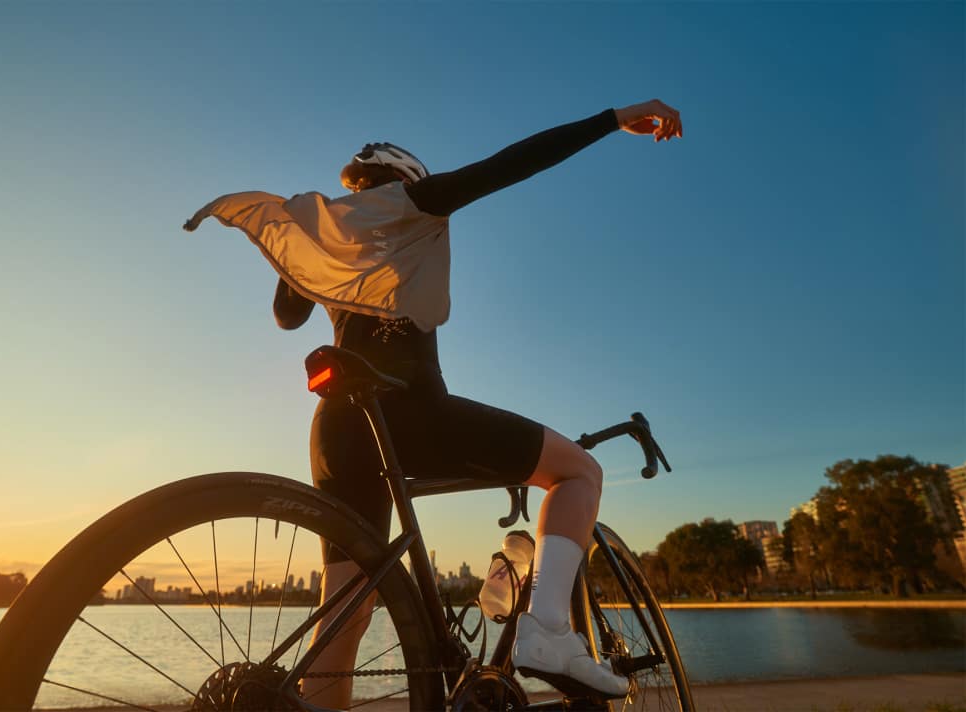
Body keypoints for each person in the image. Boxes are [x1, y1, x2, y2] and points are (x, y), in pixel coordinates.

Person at [185, 99, 682, 708]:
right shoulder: (415, 203)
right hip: (412, 414)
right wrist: (614, 118)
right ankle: (549, 633)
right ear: (406, 177)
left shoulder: (327, 232)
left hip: (337, 428)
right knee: (580, 471)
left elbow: (287, 318)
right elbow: (512, 163)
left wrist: (302, 259)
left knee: (343, 626)